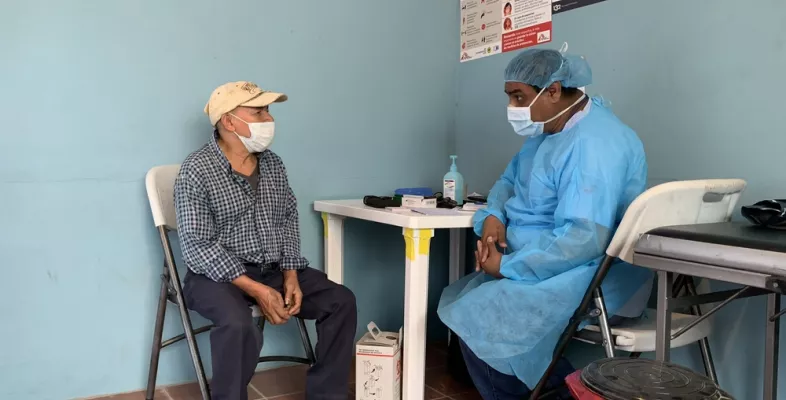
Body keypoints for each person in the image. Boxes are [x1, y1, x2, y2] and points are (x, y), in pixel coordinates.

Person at [437, 49, 653, 400]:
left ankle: (566, 393)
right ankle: (564, 390)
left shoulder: (592, 145)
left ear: (553, 90)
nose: (512, 107)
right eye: (509, 96)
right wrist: (494, 215)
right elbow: (509, 181)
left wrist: (507, 266)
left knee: (483, 318)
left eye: (518, 96)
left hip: (590, 270)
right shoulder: (549, 131)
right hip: (543, 261)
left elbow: (584, 238)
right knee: (470, 309)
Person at [174, 81, 357, 400]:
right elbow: (198, 246)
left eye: (268, 111)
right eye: (258, 112)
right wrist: (257, 290)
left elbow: (287, 220)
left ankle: (327, 395)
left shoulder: (273, 164)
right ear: (229, 122)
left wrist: (290, 277)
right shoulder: (197, 169)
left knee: (341, 301)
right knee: (237, 323)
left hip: (272, 268)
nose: (268, 119)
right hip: (214, 276)